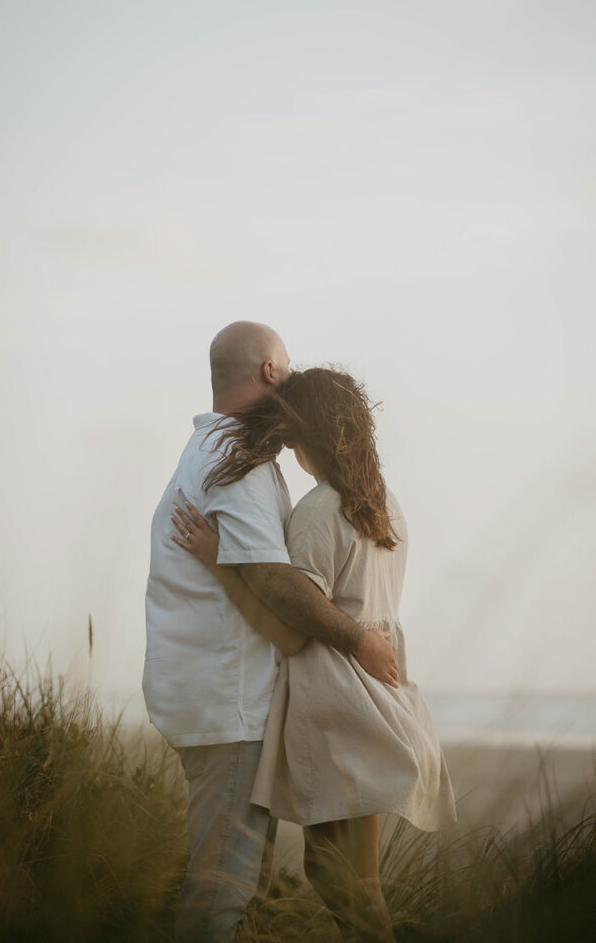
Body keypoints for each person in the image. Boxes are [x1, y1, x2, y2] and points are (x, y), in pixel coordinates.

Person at [172, 366, 457, 942]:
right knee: (354, 876)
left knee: (338, 874)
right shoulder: (384, 502)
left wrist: (219, 558)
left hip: (338, 695)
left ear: (305, 437)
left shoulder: (318, 511)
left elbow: (293, 621)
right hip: (381, 693)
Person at [143, 323, 399, 943]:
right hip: (231, 707)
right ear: (269, 372)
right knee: (221, 896)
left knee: (242, 888)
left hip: (220, 699)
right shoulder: (238, 464)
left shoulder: (224, 453)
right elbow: (279, 587)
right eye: (288, 367)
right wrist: (358, 640)